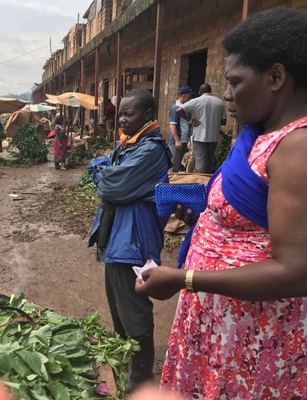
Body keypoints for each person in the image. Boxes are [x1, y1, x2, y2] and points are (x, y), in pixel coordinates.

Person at [136, 8, 307, 399]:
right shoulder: (262, 135)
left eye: (234, 82)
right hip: (224, 326)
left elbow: (297, 270)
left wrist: (185, 279)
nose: (226, 95)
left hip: (257, 337)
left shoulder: (297, 147)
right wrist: (209, 216)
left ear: (276, 77)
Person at [87, 88, 172, 391]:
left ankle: (141, 383)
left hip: (132, 242)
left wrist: (104, 172)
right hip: (116, 240)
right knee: (119, 313)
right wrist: (104, 170)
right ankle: (126, 372)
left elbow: (110, 185)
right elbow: (99, 167)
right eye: (120, 113)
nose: (121, 119)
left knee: (135, 317)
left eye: (128, 113)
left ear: (147, 115)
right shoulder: (128, 144)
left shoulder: (151, 150)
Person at [177, 83, 226, 174]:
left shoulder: (196, 101)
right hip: (213, 137)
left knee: (201, 162)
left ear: (200, 92)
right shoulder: (219, 102)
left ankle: (202, 183)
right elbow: (223, 122)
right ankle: (209, 182)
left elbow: (179, 110)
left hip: (199, 137)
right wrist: (213, 121)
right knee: (210, 160)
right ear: (211, 91)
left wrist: (191, 121)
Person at [168, 86, 193, 172]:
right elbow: (172, 126)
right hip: (178, 141)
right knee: (173, 164)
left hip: (183, 140)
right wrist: (177, 140)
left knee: (177, 163)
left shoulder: (183, 108)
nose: (190, 98)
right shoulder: (176, 108)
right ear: (184, 95)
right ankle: (168, 183)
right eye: (189, 96)